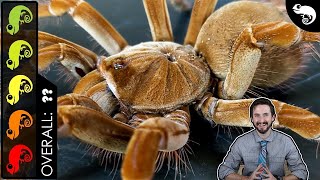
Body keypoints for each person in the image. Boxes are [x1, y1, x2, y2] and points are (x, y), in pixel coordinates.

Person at [217, 97, 308, 180]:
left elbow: (301, 172)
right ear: (252, 119)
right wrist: (246, 179)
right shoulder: (241, 142)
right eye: (257, 115)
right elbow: (223, 171)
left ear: (273, 117)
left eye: (265, 115)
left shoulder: (286, 141)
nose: (261, 120)